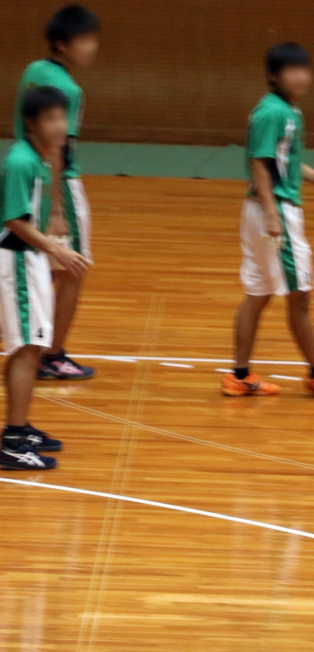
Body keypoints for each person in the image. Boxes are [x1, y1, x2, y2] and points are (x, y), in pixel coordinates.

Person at [221, 43, 314, 398]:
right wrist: (271, 212)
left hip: (261, 211)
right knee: (299, 294)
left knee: (258, 293)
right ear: (273, 75)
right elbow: (258, 162)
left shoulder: (285, 111)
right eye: (291, 69)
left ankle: (238, 375)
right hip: (275, 211)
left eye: (305, 69)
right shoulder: (273, 113)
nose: (301, 76)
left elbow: (286, 163)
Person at [1, 86, 91, 470]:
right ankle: (12, 440)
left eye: (63, 117)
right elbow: (14, 222)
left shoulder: (41, 157)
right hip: (18, 262)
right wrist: (56, 248)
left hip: (30, 260)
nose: (61, 126)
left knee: (33, 347)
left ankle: (19, 431)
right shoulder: (22, 162)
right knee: (25, 348)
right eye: (51, 118)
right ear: (30, 123)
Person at [13, 5, 101, 380]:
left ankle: (34, 345)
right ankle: (52, 354)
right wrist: (59, 211)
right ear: (61, 44)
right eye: (85, 40)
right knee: (72, 270)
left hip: (29, 180)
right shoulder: (69, 89)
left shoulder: (34, 70)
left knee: (41, 267)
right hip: (58, 183)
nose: (92, 47)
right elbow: (60, 150)